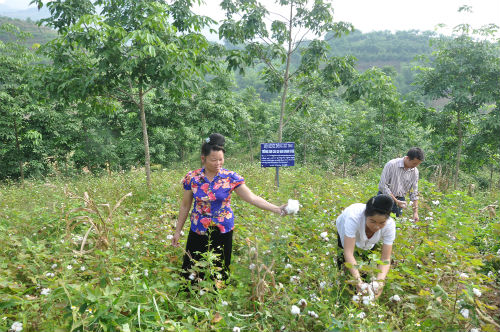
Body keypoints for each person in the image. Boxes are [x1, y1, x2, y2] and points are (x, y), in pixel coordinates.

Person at [171, 133, 288, 282]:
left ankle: (217, 298)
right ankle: (191, 297)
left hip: (222, 231)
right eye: (213, 160)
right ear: (203, 159)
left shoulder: (231, 178)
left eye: (221, 159)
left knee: (219, 269)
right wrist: (177, 231)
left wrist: (277, 208)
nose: (218, 163)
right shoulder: (192, 178)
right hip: (198, 229)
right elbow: (185, 205)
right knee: (192, 269)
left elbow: (252, 198)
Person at [336, 195, 395, 298]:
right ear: (365, 216)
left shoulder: (390, 226)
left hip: (367, 242)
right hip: (346, 227)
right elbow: (348, 252)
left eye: (382, 223)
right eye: (372, 221)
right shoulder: (353, 217)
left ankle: (362, 291)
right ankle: (342, 286)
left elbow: (385, 258)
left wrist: (380, 282)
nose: (377, 226)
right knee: (344, 260)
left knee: (364, 259)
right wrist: (358, 281)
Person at [378, 147, 424, 222]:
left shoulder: (415, 171)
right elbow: (383, 186)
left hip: (400, 200)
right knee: (380, 222)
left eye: (418, 164)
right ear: (407, 158)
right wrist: (396, 201)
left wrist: (415, 213)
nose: (415, 166)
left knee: (395, 224)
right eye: (414, 163)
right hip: (384, 198)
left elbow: (414, 192)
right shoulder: (391, 164)